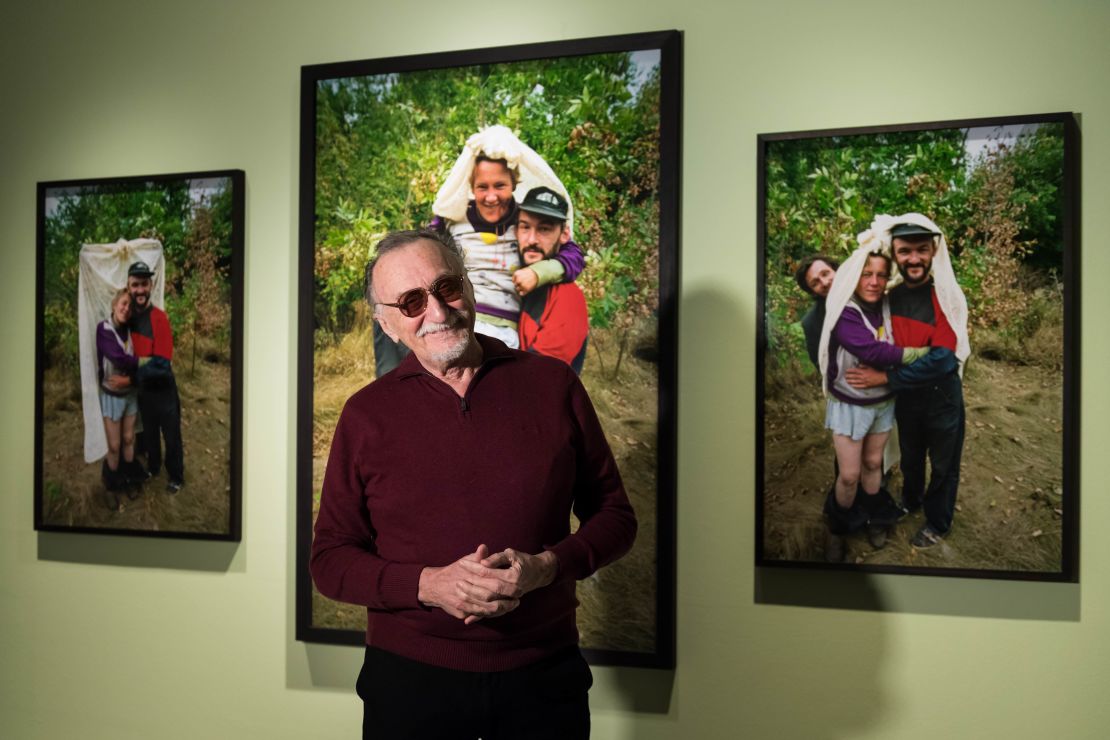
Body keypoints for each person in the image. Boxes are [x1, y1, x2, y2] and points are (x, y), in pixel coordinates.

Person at [311, 229, 636, 739]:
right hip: (409, 688)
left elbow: (616, 518)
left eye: (446, 287)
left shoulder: (554, 386)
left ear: (470, 286)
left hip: (545, 683)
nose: (437, 312)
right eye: (412, 302)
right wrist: (428, 585)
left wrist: (548, 568)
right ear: (387, 323)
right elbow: (329, 562)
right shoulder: (365, 416)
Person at [373, 125, 586, 377]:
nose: (492, 196)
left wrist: (539, 272)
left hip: (503, 329)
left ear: (514, 184)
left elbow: (573, 255)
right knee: (385, 305)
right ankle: (389, 383)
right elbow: (423, 250)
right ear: (471, 186)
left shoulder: (522, 222)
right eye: (483, 187)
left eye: (500, 186)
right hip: (458, 315)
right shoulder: (454, 219)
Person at [845, 214, 969, 548]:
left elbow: (944, 359)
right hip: (907, 398)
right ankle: (911, 500)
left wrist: (886, 376)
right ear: (895, 254)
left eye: (921, 250)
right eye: (905, 251)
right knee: (911, 457)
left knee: (944, 465)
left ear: (933, 252)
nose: (914, 258)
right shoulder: (891, 296)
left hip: (942, 397)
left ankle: (938, 522)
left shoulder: (946, 297)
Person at [819, 247, 928, 561]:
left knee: (873, 465)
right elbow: (875, 352)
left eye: (881, 274)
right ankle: (838, 528)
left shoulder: (888, 305)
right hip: (850, 404)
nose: (874, 281)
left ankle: (874, 519)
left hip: (883, 401)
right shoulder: (844, 311)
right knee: (849, 474)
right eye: (867, 274)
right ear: (854, 276)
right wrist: (922, 354)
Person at [516, 187, 589, 373]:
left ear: (564, 234)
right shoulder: (509, 277)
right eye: (525, 226)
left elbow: (538, 376)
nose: (531, 239)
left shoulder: (568, 297)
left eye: (544, 229)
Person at [126, 261, 185, 493]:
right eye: (135, 285)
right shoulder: (128, 318)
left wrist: (133, 374)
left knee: (171, 436)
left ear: (151, 285)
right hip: (144, 393)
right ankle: (153, 467)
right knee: (149, 433)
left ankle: (176, 476)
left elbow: (162, 363)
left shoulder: (159, 318)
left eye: (144, 284)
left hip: (164, 390)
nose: (140, 290)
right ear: (129, 287)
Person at [96, 288, 141, 509]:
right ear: (114, 305)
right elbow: (120, 359)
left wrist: (132, 377)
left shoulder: (133, 330)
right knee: (114, 446)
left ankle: (129, 478)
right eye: (123, 304)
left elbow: (143, 356)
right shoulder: (103, 330)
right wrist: (141, 363)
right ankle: (111, 485)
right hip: (112, 396)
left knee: (129, 439)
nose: (126, 309)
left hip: (130, 393)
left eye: (130, 307)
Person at [794, 254, 839, 369]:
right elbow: (822, 366)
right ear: (812, 292)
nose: (824, 283)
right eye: (815, 283)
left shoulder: (867, 291)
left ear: (835, 269)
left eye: (825, 273)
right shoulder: (811, 323)